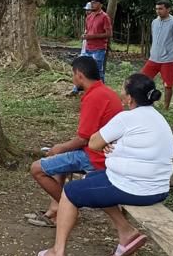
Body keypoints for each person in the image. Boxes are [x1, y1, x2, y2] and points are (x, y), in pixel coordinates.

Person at [37, 73, 173, 256]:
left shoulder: (127, 118)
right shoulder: (158, 119)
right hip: (158, 188)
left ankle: (57, 253)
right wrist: (112, 143)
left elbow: (93, 143)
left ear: (129, 98)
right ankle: (126, 232)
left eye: (123, 90)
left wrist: (107, 142)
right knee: (94, 179)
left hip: (135, 188)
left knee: (70, 192)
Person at [28, 55, 122, 227]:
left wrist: (59, 148)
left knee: (37, 168)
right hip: (108, 152)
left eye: (73, 75)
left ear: (79, 75)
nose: (73, 79)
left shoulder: (94, 97)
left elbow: (84, 139)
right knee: (60, 164)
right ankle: (55, 210)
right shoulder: (107, 92)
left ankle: (68, 207)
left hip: (97, 157)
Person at [141, 0, 173, 110]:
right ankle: (145, 102)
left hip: (168, 59)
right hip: (154, 58)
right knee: (142, 79)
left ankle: (166, 107)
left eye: (161, 9)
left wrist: (168, 48)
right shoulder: (154, 22)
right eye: (157, 9)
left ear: (168, 9)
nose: (158, 11)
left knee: (168, 84)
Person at [68, 0, 111, 96]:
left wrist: (92, 36)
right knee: (82, 68)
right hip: (88, 47)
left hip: (99, 48)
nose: (93, 4)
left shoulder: (104, 17)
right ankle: (78, 88)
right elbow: (88, 31)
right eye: (92, 2)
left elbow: (109, 34)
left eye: (95, 2)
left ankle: (102, 92)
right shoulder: (89, 17)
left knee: (98, 70)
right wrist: (85, 36)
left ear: (101, 4)